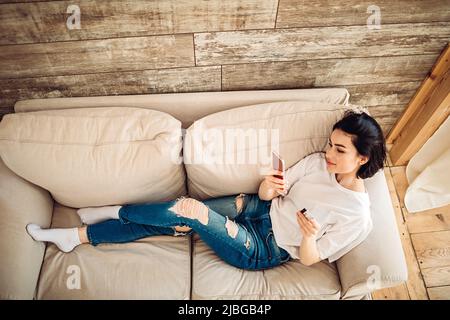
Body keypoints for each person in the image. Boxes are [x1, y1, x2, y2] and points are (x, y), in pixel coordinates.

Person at [26, 110, 386, 270]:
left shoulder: (358, 216)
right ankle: (83, 236)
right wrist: (267, 187)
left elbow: (310, 258)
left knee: (188, 210)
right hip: (260, 211)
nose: (328, 154)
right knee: (176, 217)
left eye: (339, 150)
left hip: (266, 248)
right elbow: (266, 195)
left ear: (362, 158)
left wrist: (308, 236)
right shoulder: (316, 164)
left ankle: (107, 216)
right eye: (329, 144)